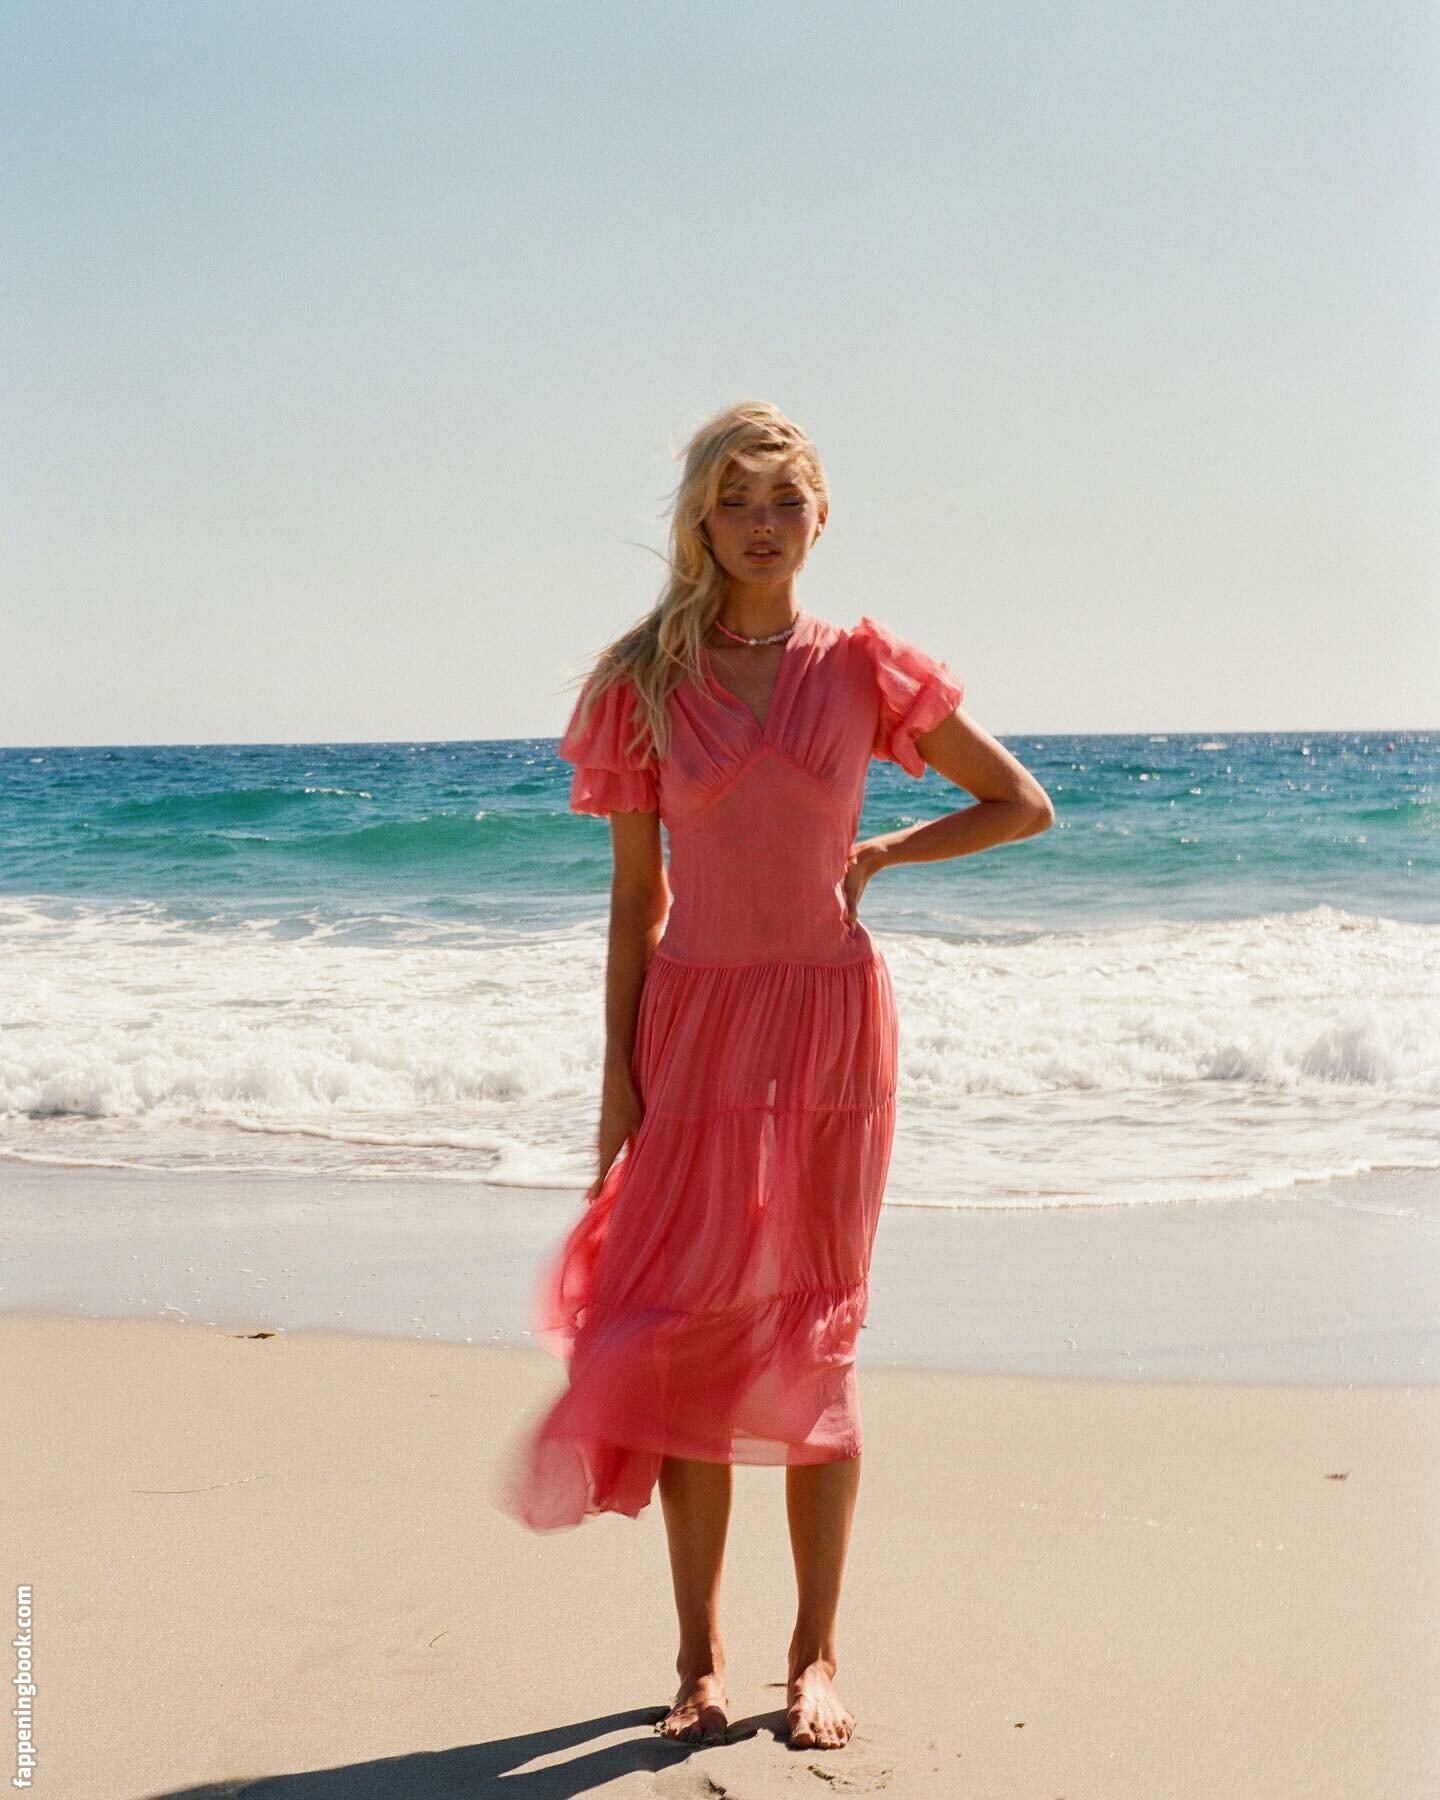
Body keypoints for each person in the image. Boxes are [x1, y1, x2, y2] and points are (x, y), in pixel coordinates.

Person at [493, 399, 1055, 1751]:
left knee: (815, 1328)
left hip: (828, 1028)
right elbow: (636, 901)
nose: (761, 524)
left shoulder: (863, 668)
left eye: (784, 500)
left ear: (820, 516)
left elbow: (1021, 803)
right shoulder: (641, 679)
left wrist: (884, 855)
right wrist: (618, 1080)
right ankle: (697, 1658)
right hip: (693, 1023)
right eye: (735, 500)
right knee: (689, 1327)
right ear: (701, 517)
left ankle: (816, 1655)